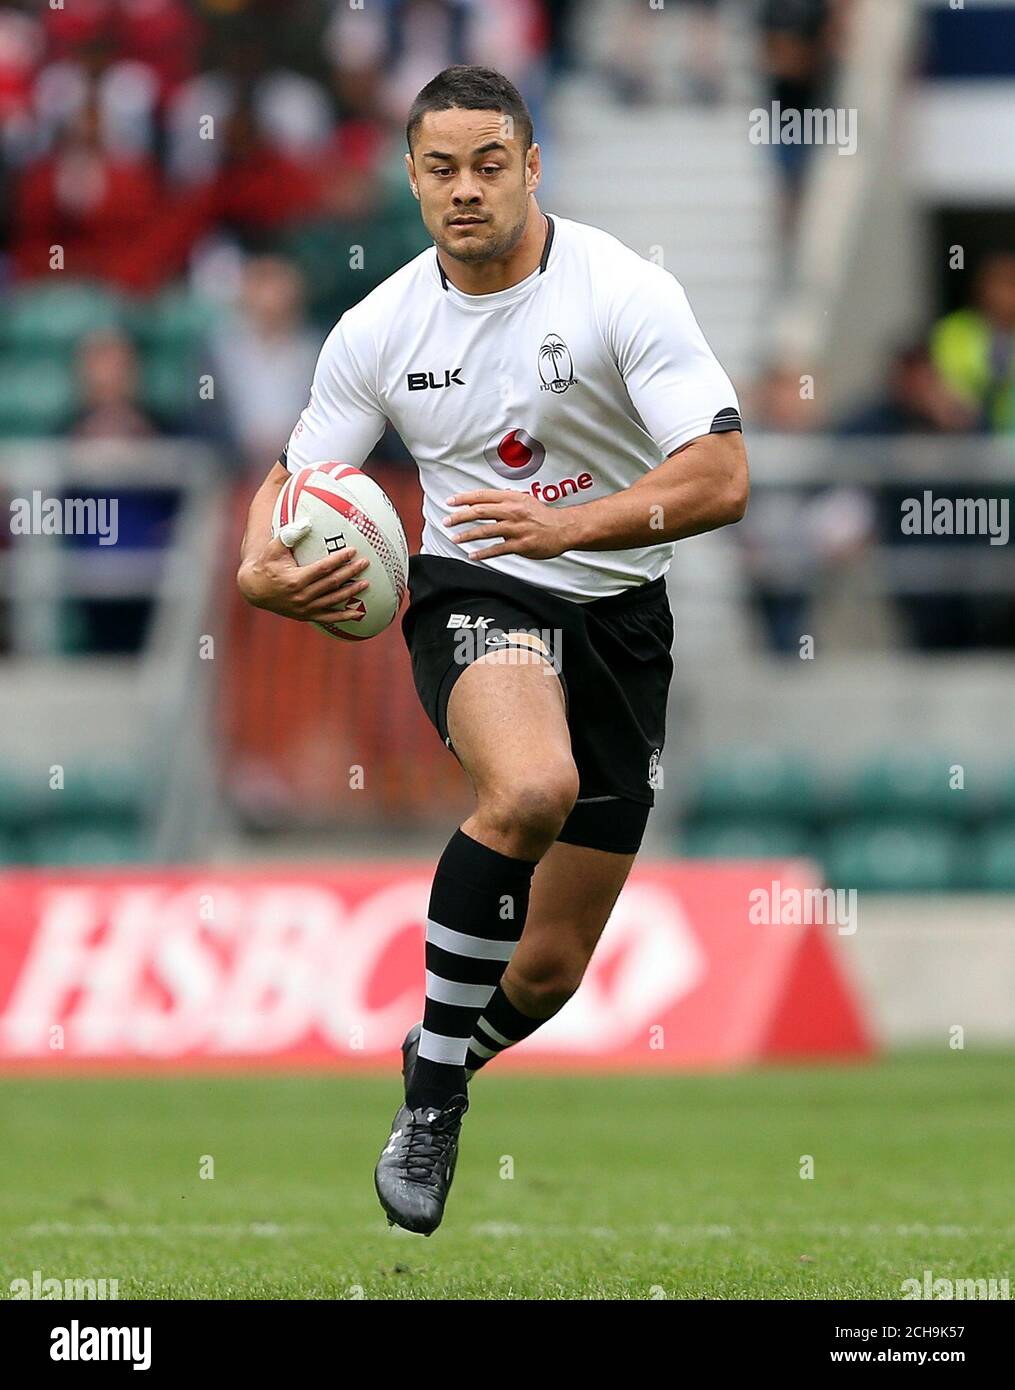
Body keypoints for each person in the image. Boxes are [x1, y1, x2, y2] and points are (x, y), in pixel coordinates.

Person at [235, 65, 748, 1236]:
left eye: (486, 164)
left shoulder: (624, 291)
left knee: (551, 969)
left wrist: (571, 523)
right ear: (410, 178)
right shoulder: (378, 327)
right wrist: (261, 568)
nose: (463, 190)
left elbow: (721, 476)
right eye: (438, 168)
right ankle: (430, 1105)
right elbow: (294, 479)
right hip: (472, 587)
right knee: (529, 788)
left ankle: (439, 1053)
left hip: (620, 611)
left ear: (529, 166)